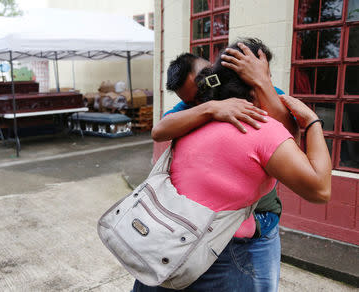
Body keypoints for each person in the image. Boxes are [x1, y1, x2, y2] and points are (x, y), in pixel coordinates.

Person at [133, 39, 331, 291]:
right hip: (229, 240)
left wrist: (261, 82)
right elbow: (317, 185)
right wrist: (313, 121)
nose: (204, 87)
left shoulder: (201, 116)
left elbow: (285, 135)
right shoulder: (205, 112)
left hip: (184, 236)